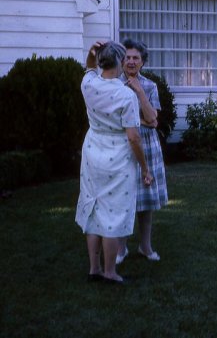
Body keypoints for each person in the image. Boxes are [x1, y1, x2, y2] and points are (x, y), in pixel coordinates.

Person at [76, 41, 153, 284]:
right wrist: (145, 167)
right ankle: (109, 271)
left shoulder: (88, 83)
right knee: (112, 214)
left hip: (92, 152)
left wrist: (92, 52)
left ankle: (93, 269)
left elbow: (89, 68)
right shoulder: (126, 95)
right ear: (121, 62)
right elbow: (133, 136)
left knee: (94, 208)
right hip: (117, 157)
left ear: (100, 61)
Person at [116, 38, 168, 264]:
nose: (130, 61)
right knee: (121, 200)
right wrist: (144, 120)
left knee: (145, 202)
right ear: (121, 61)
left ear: (142, 62)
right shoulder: (113, 85)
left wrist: (139, 92)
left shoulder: (149, 86)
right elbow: (116, 121)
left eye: (135, 58)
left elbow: (154, 119)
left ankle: (145, 247)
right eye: (127, 57)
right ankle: (120, 249)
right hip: (123, 146)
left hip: (147, 146)